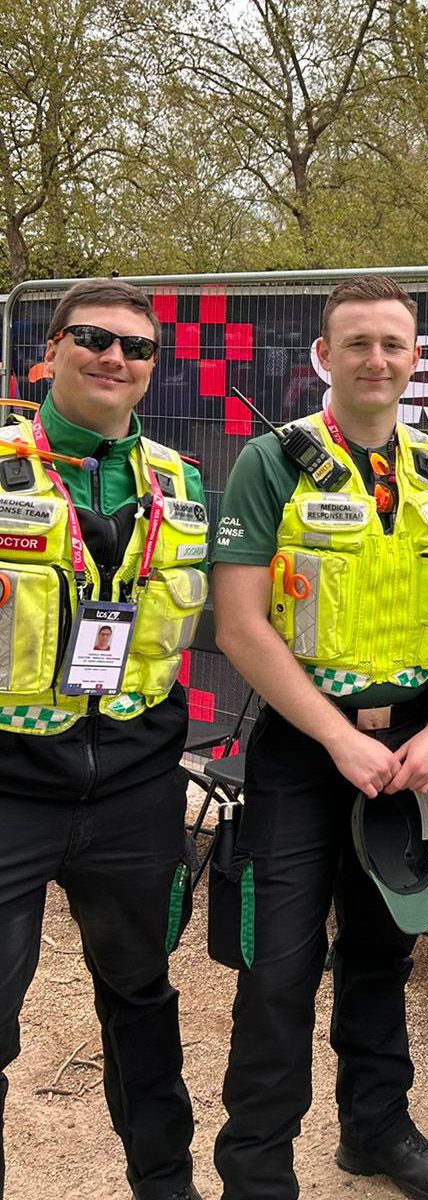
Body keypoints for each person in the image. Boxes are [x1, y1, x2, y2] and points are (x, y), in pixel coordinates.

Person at [209, 276, 428, 1200]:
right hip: (305, 750)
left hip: (411, 754)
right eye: (356, 343)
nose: (376, 360)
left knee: (382, 953)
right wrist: (336, 739)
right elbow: (241, 626)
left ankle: (375, 1131)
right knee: (279, 969)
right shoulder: (273, 461)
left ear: (416, 358)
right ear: (323, 357)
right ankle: (257, 1172)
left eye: (393, 345)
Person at [0, 280, 205, 1200]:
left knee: (142, 1001)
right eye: (93, 338)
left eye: (136, 347)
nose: (115, 358)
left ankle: (164, 1186)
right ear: (48, 353)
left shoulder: (180, 479)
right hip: (8, 784)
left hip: (133, 786)